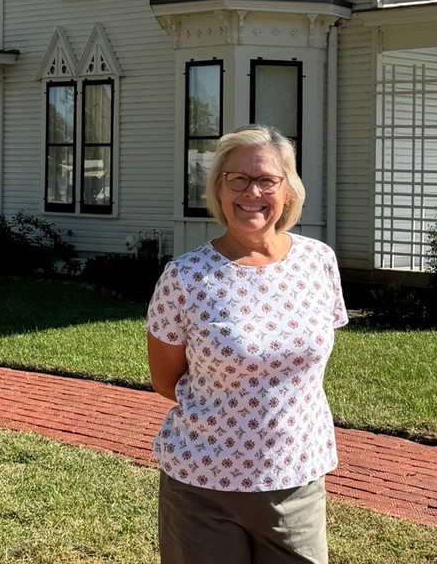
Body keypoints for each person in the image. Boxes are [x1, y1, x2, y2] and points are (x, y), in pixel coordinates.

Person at [146, 124, 348, 564]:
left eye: (266, 180)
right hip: (202, 486)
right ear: (218, 191)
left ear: (288, 189)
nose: (251, 192)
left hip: (295, 479)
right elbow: (166, 381)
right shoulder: (184, 277)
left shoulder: (319, 262)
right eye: (237, 179)